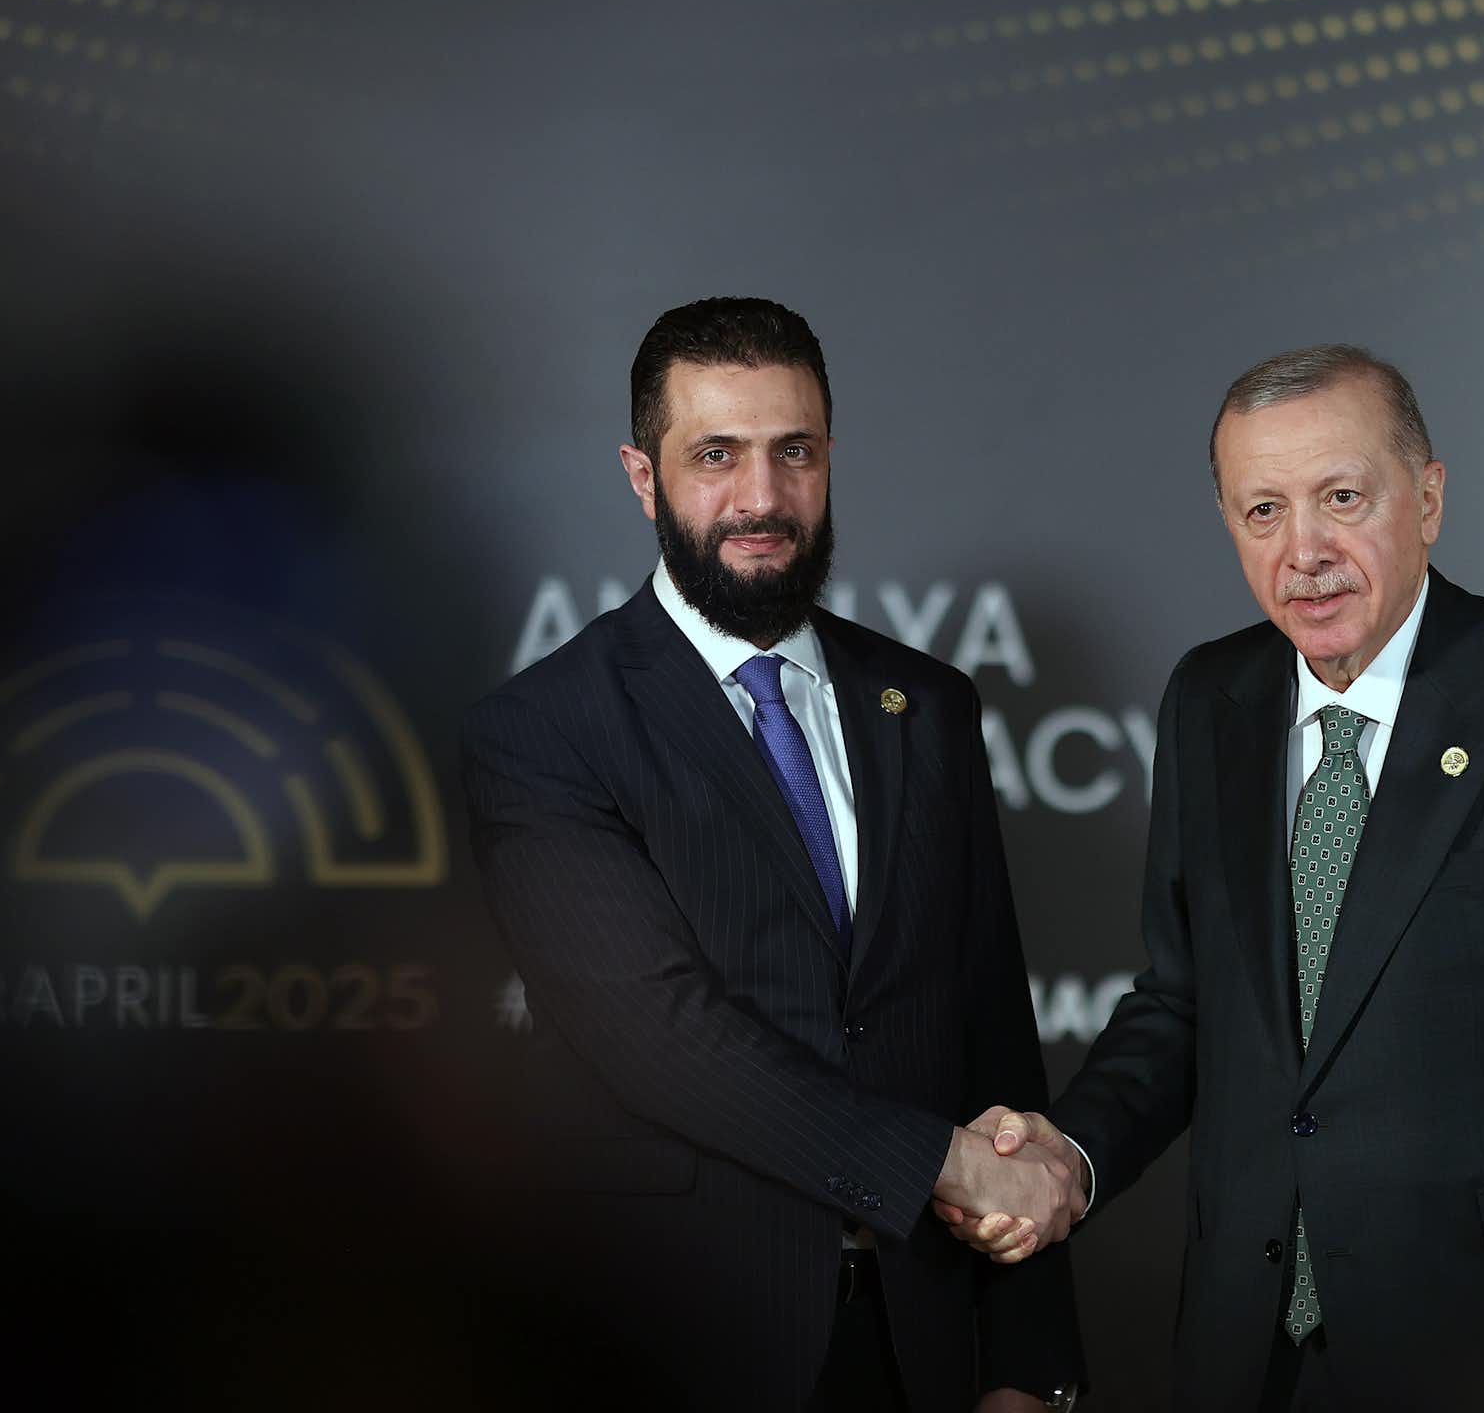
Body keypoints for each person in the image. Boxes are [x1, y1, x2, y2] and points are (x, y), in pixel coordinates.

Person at [937, 345, 1484, 1408]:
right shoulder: (1211, 701)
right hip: (1248, 1352)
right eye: (1262, 512)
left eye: (1340, 498)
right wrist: (1070, 1155)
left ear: (1429, 498)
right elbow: (1182, 1005)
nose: (1303, 551)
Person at [462, 297, 1085, 1412]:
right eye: (715, 456)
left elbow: (990, 1030)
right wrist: (943, 1163)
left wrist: (1032, 1367)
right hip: (679, 1342)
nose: (761, 498)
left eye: (792, 451)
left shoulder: (927, 706)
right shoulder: (545, 731)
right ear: (642, 477)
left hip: (922, 1349)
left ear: (829, 458)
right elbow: (665, 1041)